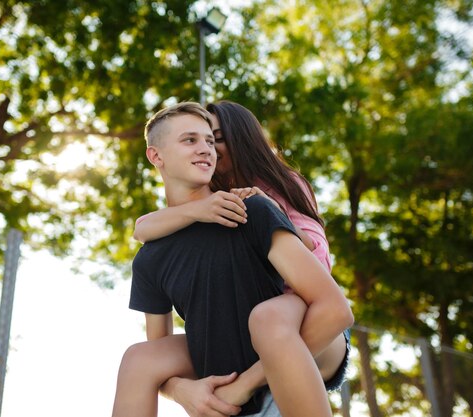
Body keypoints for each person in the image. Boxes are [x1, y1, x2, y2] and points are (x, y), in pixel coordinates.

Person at [112, 101, 353, 417]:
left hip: (299, 315)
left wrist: (242, 386)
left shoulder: (258, 201)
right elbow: (142, 229)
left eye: (212, 140)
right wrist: (179, 388)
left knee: (268, 319)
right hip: (223, 335)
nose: (207, 149)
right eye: (191, 140)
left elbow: (324, 283)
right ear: (156, 156)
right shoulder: (160, 247)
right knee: (138, 359)